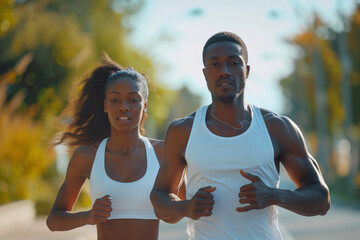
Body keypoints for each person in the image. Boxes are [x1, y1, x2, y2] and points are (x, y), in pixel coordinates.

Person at [150, 32, 331, 240]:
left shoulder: (277, 128)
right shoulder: (183, 131)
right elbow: (160, 198)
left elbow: (321, 200)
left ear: (246, 71)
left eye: (233, 63)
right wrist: (185, 207)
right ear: (205, 73)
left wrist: (274, 195)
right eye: (215, 64)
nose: (224, 71)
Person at [46, 55, 164, 240]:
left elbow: (182, 210)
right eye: (115, 100)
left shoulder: (162, 153)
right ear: (105, 106)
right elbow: (53, 220)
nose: (124, 107)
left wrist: (181, 205)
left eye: (133, 100)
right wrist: (88, 216)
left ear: (144, 106)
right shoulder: (87, 156)